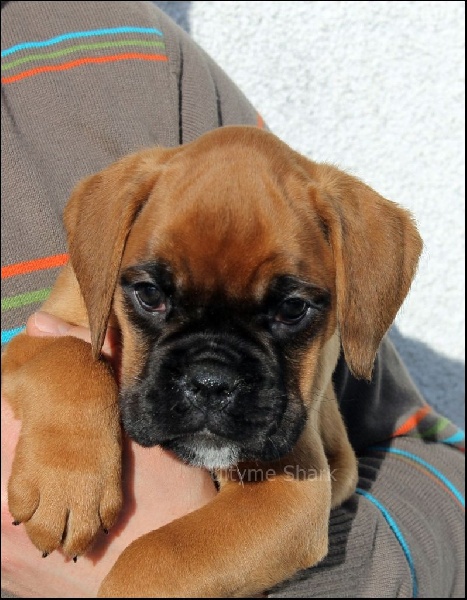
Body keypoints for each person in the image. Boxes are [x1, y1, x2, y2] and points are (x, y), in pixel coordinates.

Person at [1, 1, 464, 598]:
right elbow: (35, 352)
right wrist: (69, 407)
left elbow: (306, 502)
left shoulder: (147, 64)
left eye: (289, 311)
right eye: (153, 298)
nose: (211, 379)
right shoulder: (124, 220)